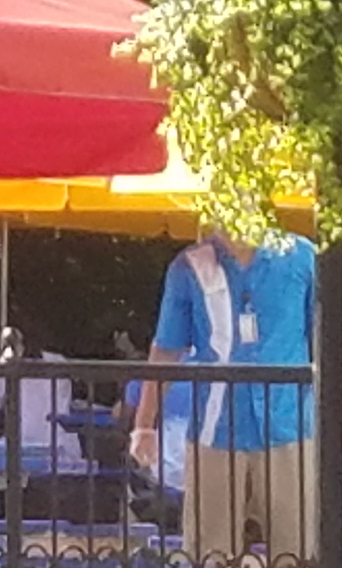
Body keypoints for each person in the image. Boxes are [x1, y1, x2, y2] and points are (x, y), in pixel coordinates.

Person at [132, 229, 315, 560]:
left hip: (290, 425)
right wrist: (144, 425)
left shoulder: (302, 256)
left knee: (297, 551)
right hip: (214, 430)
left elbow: (329, 339)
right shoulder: (189, 265)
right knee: (209, 553)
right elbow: (167, 349)